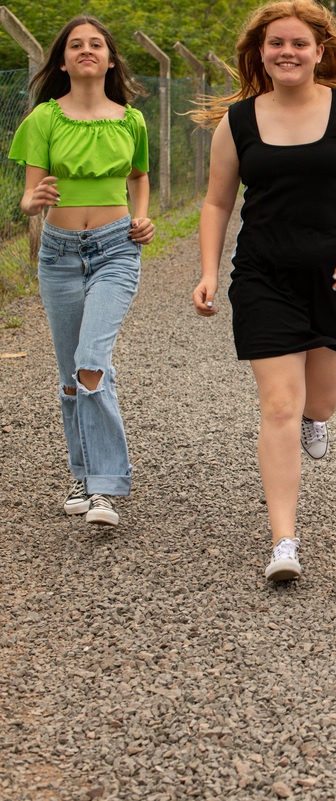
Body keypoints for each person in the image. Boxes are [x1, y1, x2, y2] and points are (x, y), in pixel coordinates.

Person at [191, 0, 336, 582]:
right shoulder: (237, 123)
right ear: (260, 53)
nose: (288, 52)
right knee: (279, 404)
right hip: (264, 277)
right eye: (276, 43)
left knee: (318, 403)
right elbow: (216, 202)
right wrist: (208, 271)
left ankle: (317, 418)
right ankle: (284, 541)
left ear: (319, 51)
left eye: (299, 44)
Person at [8, 16, 154, 529]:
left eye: (96, 44)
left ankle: (105, 489)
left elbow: (139, 177)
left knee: (92, 362)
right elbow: (28, 197)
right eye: (75, 44)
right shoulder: (44, 120)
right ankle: (83, 474)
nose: (86, 50)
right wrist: (34, 199)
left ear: (111, 59)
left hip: (116, 250)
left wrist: (141, 216)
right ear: (64, 60)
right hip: (59, 253)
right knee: (71, 376)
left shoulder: (130, 120)